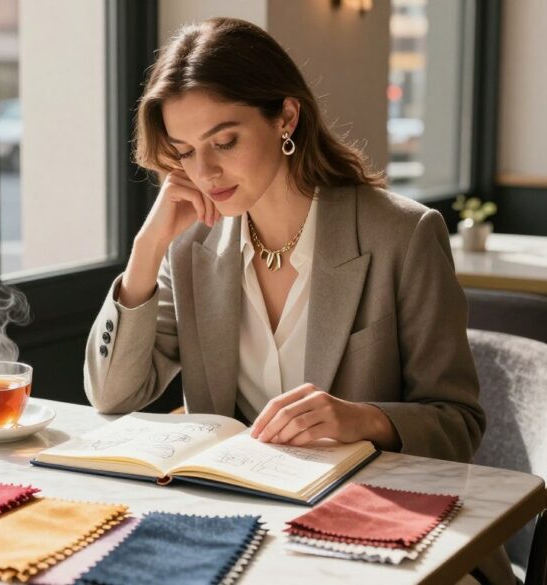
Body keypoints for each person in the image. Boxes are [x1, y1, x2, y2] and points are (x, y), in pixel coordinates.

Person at [84, 18, 510, 583]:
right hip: (252, 535)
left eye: (224, 141)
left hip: (390, 540)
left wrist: (362, 419)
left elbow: (458, 424)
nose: (204, 172)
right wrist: (145, 250)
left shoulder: (401, 235)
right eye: (185, 152)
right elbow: (113, 396)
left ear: (286, 117)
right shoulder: (190, 245)